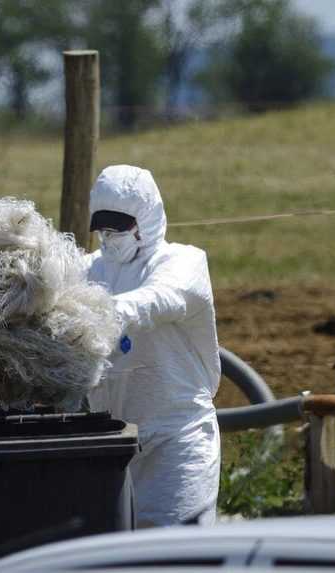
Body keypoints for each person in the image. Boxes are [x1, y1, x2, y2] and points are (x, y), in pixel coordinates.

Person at [85, 164, 221, 528]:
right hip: (112, 442)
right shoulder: (91, 269)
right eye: (102, 227)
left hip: (176, 439)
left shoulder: (183, 262)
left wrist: (91, 313)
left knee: (179, 556)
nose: (109, 236)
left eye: (119, 226)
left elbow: (160, 299)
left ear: (146, 219)